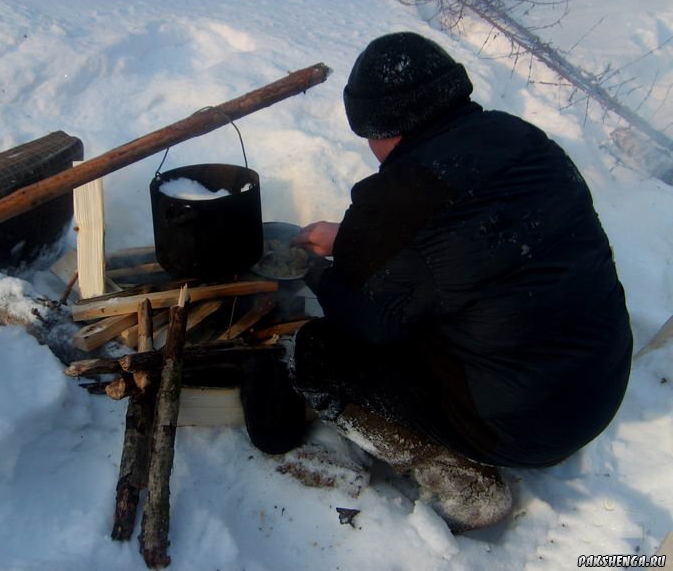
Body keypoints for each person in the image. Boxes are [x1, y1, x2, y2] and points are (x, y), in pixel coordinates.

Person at [240, 32, 633, 533]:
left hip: (520, 424)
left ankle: (458, 477)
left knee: (321, 352)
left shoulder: (405, 196)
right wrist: (352, 240)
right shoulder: (520, 140)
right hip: (595, 385)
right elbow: (465, 242)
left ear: (381, 125)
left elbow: (363, 320)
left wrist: (318, 272)